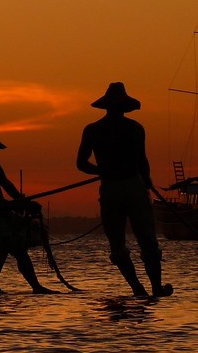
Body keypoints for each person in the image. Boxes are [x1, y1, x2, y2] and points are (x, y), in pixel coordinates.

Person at [76, 82, 173, 297]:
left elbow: (82, 164)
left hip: (116, 188)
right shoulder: (133, 128)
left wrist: (101, 170)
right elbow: (142, 162)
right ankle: (150, 288)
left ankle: (141, 289)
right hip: (130, 187)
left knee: (121, 243)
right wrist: (144, 180)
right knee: (145, 240)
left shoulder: (95, 130)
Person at [0, 128, 57, 295]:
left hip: (0, 211)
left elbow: (5, 183)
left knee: (17, 246)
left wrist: (23, 201)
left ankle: (33, 287)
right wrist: (17, 205)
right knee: (8, 242)